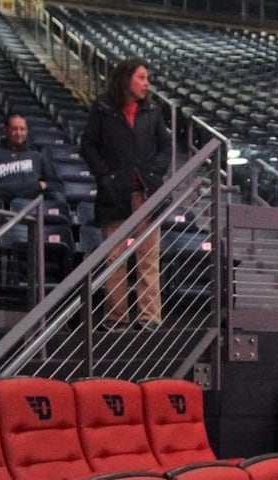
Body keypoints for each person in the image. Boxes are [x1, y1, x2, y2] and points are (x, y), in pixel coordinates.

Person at [80, 58, 172, 333]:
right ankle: (116, 318)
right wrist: (106, 177)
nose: (147, 84)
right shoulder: (103, 108)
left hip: (146, 193)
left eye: (147, 78)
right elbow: (88, 145)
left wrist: (153, 175)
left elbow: (165, 148)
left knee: (148, 259)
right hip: (115, 194)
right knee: (115, 259)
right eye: (142, 77)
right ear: (126, 79)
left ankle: (150, 318)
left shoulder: (154, 110)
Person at [0, 112, 58, 206]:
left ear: (27, 131)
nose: (19, 133)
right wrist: (34, 186)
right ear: (5, 130)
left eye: (22, 129)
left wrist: (44, 185)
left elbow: (57, 185)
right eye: (14, 129)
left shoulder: (38, 157)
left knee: (57, 196)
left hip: (33, 206)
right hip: (3, 204)